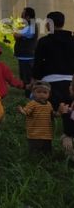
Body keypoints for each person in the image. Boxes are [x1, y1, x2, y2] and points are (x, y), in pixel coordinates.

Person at [32, 11, 74, 146]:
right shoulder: (72, 40)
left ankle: (44, 144)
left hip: (50, 85)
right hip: (71, 84)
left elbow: (37, 63)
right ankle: (69, 143)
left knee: (46, 114)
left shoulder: (44, 41)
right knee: (68, 115)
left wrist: (34, 80)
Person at [18, 81, 54, 155]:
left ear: (49, 94)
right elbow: (26, 112)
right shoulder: (32, 104)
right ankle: (34, 162)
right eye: (38, 92)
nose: (41, 94)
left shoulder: (49, 104)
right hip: (35, 134)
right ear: (33, 93)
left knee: (47, 152)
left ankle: (47, 163)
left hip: (47, 134)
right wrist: (22, 111)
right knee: (35, 152)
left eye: (45, 92)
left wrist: (59, 112)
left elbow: (52, 114)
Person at [14, 7, 38, 98]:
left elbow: (17, 35)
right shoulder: (28, 26)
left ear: (28, 17)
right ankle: (29, 95)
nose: (21, 16)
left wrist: (18, 33)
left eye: (23, 14)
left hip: (27, 57)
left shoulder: (31, 27)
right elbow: (16, 36)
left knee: (28, 78)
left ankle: (30, 96)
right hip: (24, 56)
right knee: (24, 77)